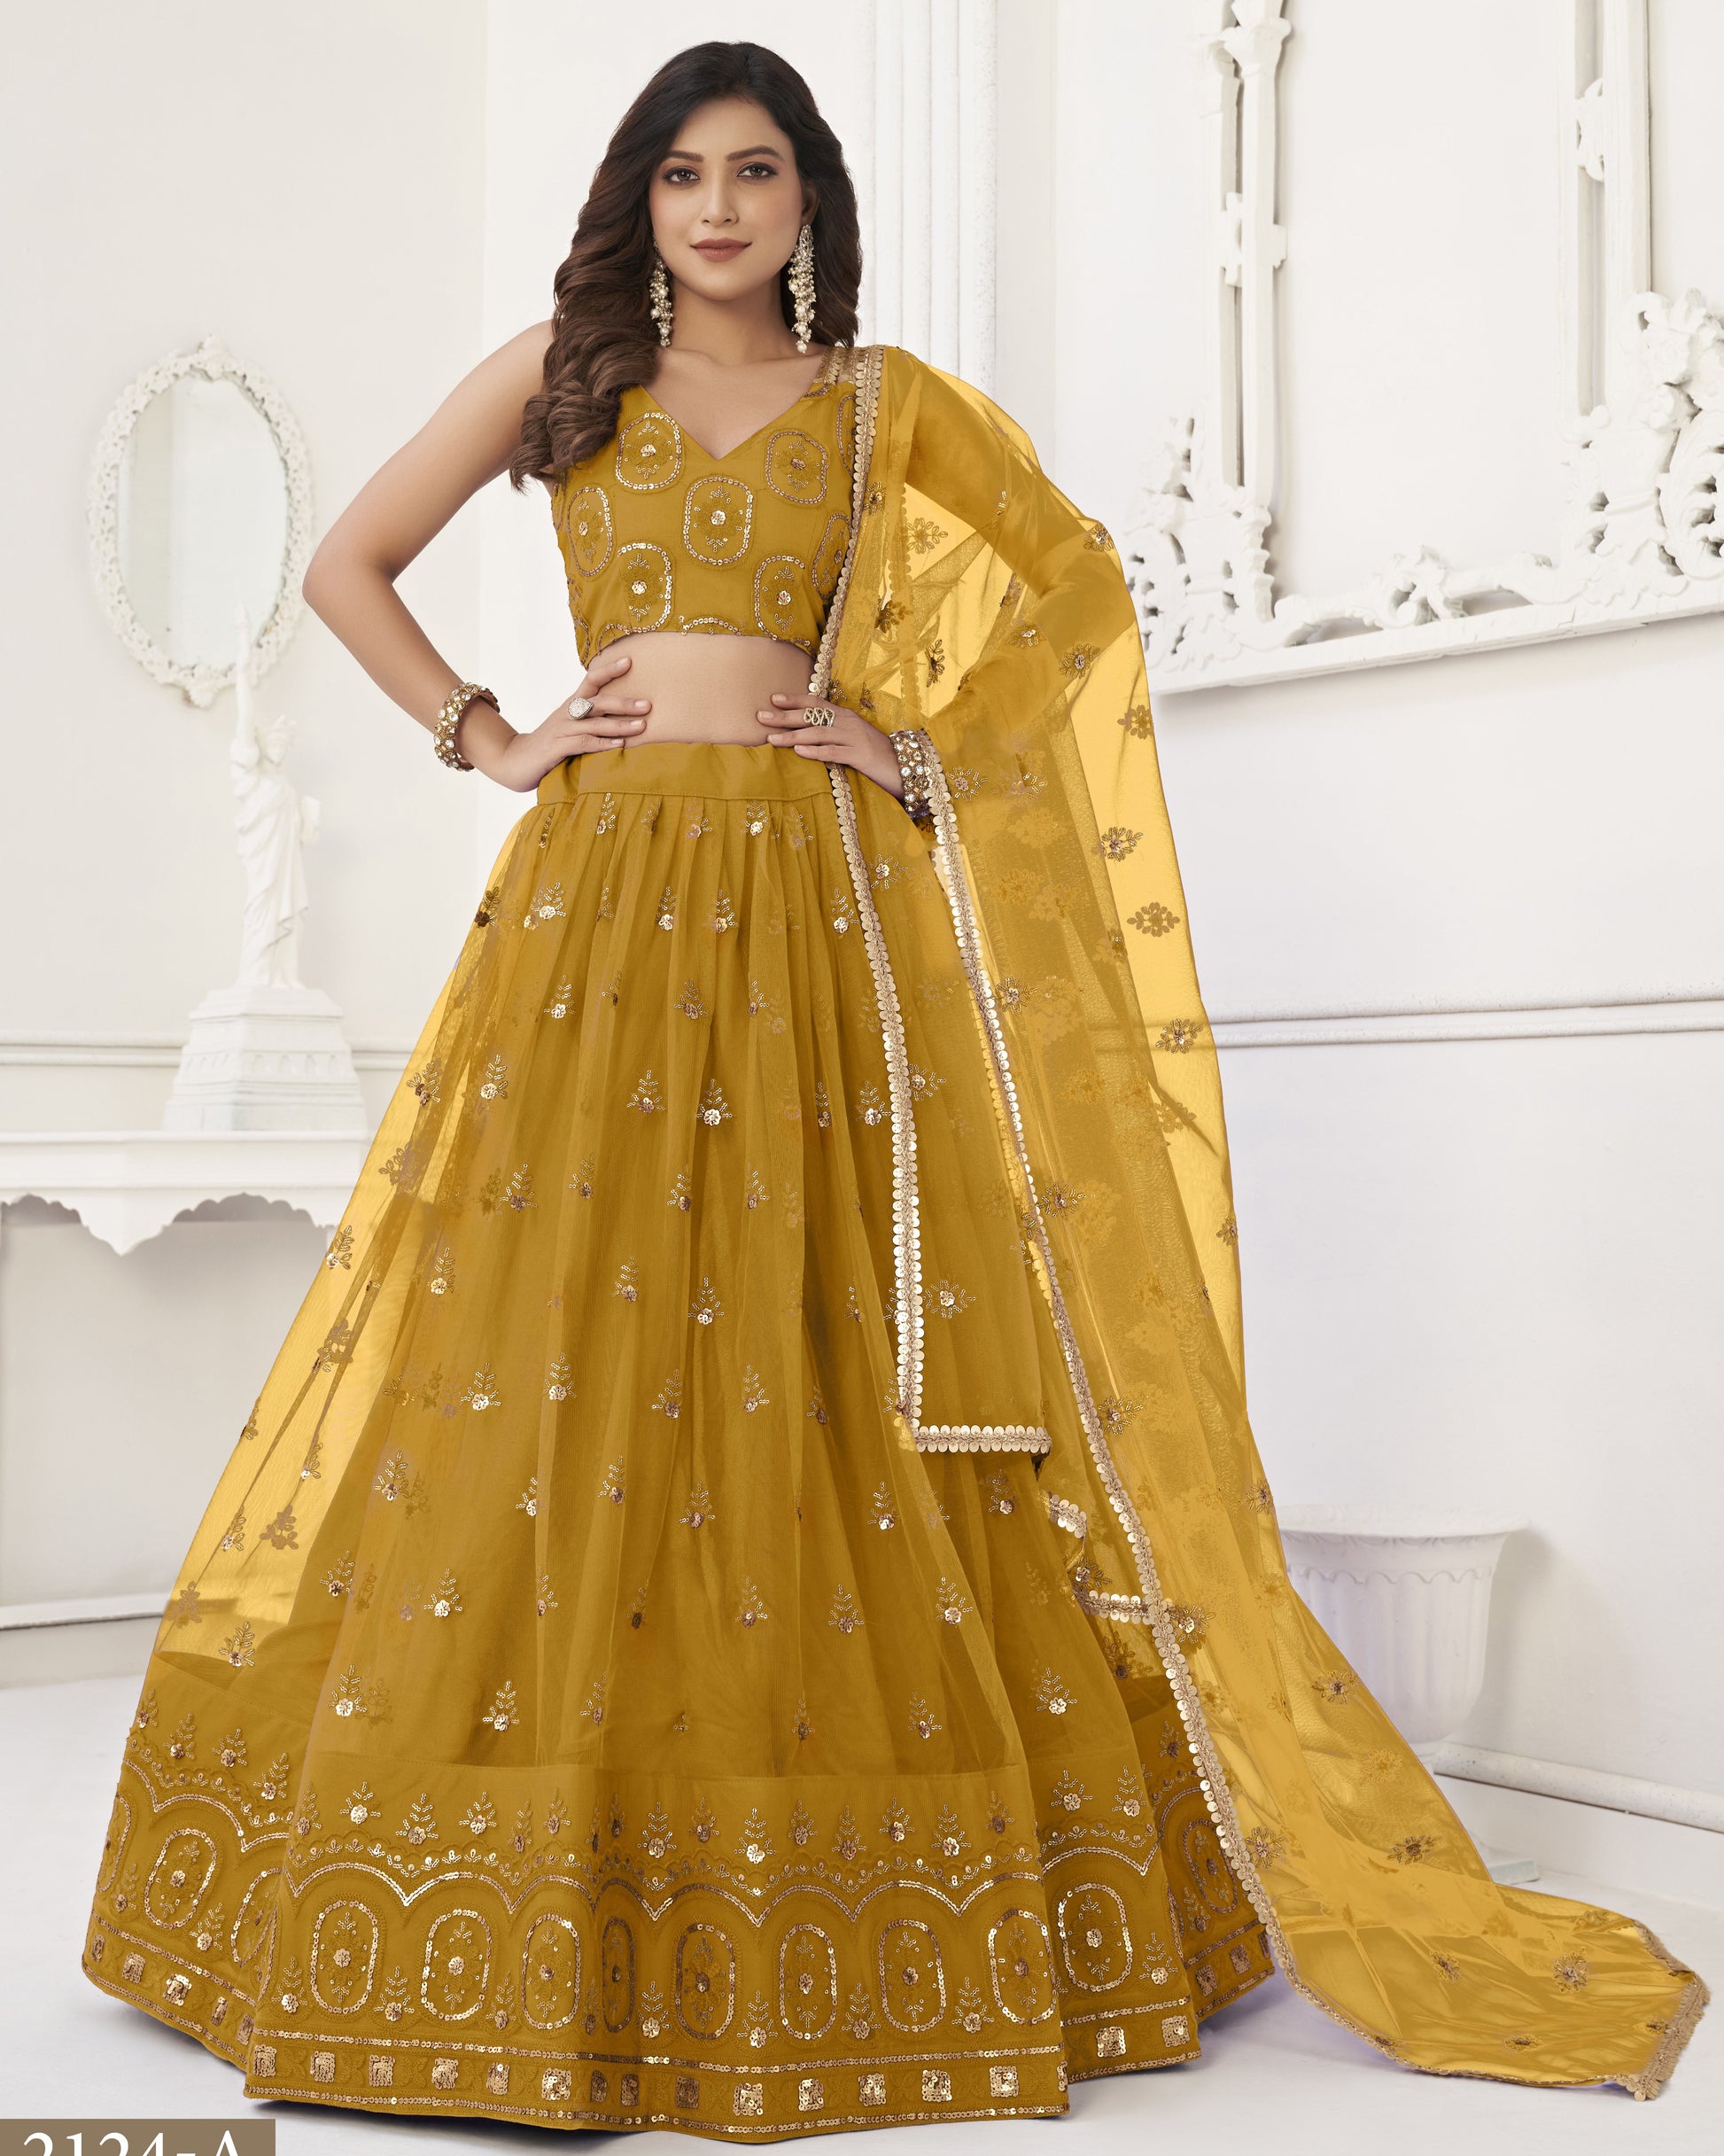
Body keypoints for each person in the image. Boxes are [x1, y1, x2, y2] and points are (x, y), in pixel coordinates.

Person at [81, 39, 1705, 2137]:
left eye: (757, 171)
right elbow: (346, 566)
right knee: (551, 1351)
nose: (721, 208)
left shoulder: (883, 405)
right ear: (640, 205)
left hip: (822, 921)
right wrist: (486, 735)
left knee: (812, 1343)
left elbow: (1075, 587)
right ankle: (542, 1867)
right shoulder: (558, 377)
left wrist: (924, 749)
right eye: (684, 175)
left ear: (810, 201)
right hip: (594, 918)